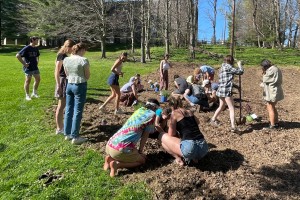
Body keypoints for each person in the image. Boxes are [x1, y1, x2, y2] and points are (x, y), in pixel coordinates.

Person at [103, 98, 160, 177]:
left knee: (128, 151)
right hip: (120, 149)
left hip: (110, 144)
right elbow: (145, 136)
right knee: (142, 161)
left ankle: (108, 159)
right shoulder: (152, 115)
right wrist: (140, 151)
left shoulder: (139, 110)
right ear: (154, 108)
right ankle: (117, 164)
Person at [159, 97, 208, 165]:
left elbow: (171, 134)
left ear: (171, 107)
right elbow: (198, 122)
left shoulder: (174, 113)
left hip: (190, 147)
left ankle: (178, 159)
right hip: (203, 147)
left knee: (162, 136)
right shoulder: (189, 111)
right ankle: (194, 158)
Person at [63, 42, 90, 145]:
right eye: (85, 50)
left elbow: (66, 74)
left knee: (69, 109)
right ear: (81, 50)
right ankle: (75, 137)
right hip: (80, 85)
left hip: (69, 85)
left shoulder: (66, 59)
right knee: (78, 111)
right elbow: (87, 76)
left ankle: (67, 133)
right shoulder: (83, 60)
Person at [210, 55, 244, 133]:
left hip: (220, 89)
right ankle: (233, 127)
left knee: (221, 106)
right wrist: (239, 65)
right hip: (226, 90)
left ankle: (213, 119)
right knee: (231, 108)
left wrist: (235, 86)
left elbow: (226, 79)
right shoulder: (228, 67)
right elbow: (240, 72)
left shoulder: (222, 67)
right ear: (231, 61)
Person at [54, 39, 75, 135]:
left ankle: (62, 126)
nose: (73, 50)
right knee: (61, 106)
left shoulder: (64, 55)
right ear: (68, 47)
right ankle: (59, 128)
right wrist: (58, 84)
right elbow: (57, 71)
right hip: (62, 81)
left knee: (64, 105)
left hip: (66, 80)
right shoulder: (61, 55)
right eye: (72, 48)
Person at [260, 59, 284, 130]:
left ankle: (272, 125)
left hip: (272, 91)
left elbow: (265, 79)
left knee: (270, 108)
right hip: (277, 90)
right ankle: (276, 123)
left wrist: (262, 83)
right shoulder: (276, 68)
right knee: (273, 107)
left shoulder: (270, 70)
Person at [16, 36, 41, 101]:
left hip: (35, 67)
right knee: (28, 81)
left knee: (38, 79)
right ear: (32, 40)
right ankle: (27, 95)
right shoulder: (27, 48)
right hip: (28, 68)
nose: (37, 41)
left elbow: (37, 55)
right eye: (37, 40)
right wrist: (24, 64)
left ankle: (34, 93)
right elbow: (18, 55)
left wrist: (37, 61)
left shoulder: (35, 48)